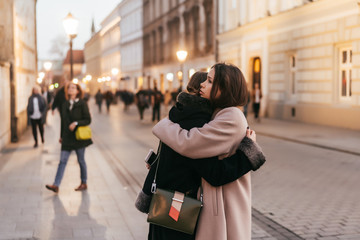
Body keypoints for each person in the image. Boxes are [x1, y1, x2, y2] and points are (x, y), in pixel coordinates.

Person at [137, 71, 265, 240]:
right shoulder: (197, 122)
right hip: (178, 205)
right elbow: (214, 173)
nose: (205, 85)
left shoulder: (179, 115)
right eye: (204, 82)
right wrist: (250, 153)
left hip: (164, 201)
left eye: (210, 81)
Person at [45, 82, 93, 193]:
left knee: (81, 160)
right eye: (69, 88)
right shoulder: (65, 104)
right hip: (67, 137)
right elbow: (63, 121)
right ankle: (56, 185)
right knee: (62, 161)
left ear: (78, 91)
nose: (70, 89)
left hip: (78, 138)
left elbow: (88, 120)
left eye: (73, 88)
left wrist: (76, 123)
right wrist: (61, 136)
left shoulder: (82, 103)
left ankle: (83, 182)